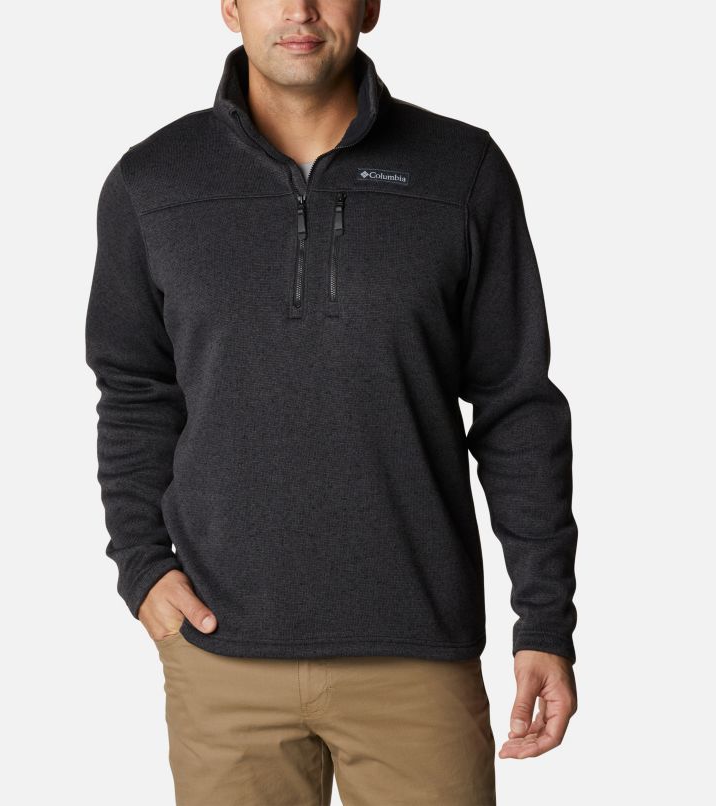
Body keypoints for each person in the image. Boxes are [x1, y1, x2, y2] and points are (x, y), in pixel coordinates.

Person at [84, 1, 578, 803]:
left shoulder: (462, 171)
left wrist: (545, 620)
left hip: (418, 655)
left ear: (371, 5)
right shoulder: (153, 182)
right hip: (222, 656)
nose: (300, 10)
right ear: (230, 7)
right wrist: (142, 568)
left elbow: (515, 405)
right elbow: (135, 391)